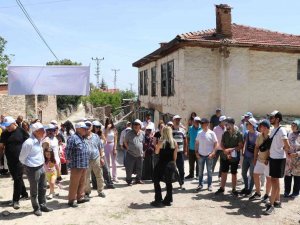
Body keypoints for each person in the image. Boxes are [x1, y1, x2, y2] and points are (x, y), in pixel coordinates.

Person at [19, 122, 53, 216]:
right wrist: (28, 166)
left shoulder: (39, 140)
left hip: (41, 166)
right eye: (42, 130)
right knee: (34, 190)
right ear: (36, 131)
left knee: (43, 187)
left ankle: (43, 205)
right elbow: (22, 158)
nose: (44, 132)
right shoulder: (28, 143)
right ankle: (36, 208)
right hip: (32, 169)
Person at [0, 116, 29, 209]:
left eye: (9, 125)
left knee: (17, 179)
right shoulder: (4, 134)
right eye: (5, 125)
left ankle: (15, 200)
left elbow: (29, 143)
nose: (7, 127)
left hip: (20, 160)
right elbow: (1, 146)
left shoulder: (21, 131)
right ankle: (24, 194)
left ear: (14, 123)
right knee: (17, 178)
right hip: (10, 160)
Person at [265, 110, 290, 215]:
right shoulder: (274, 129)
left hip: (279, 159)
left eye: (272, 117)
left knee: (274, 181)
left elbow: (287, 146)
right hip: (273, 158)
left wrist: (281, 151)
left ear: (277, 119)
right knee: (275, 181)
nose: (270, 119)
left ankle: (271, 205)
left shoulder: (282, 130)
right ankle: (277, 201)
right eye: (270, 117)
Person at [215, 118, 243, 196]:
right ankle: (222, 188)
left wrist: (231, 149)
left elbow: (240, 146)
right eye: (226, 124)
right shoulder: (225, 133)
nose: (226, 125)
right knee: (224, 172)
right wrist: (225, 150)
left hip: (234, 157)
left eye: (227, 124)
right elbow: (221, 144)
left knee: (234, 173)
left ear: (232, 124)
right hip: (225, 156)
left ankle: (234, 189)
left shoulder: (239, 134)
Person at [151, 126, 178, 207]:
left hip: (162, 164)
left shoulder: (161, 141)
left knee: (156, 180)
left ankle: (158, 199)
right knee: (169, 182)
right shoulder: (174, 142)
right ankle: (168, 200)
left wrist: (157, 145)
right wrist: (174, 164)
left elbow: (156, 152)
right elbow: (175, 156)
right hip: (171, 164)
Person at [66, 122, 90, 208]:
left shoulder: (82, 138)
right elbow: (68, 152)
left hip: (83, 164)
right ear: (78, 129)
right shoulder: (73, 138)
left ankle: (80, 197)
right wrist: (69, 163)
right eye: (83, 128)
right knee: (74, 183)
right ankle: (71, 200)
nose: (85, 130)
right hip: (76, 165)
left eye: (86, 128)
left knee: (82, 182)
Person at [249, 119, 272, 202]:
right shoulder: (259, 135)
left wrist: (268, 158)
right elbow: (256, 147)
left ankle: (266, 195)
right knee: (255, 174)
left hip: (268, 161)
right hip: (259, 159)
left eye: (260, 126)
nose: (259, 127)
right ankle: (258, 193)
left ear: (265, 127)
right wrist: (255, 158)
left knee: (268, 178)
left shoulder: (271, 136)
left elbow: (272, 149)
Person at [84, 121, 106, 198]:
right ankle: (87, 192)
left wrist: (102, 157)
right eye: (86, 125)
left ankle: (100, 191)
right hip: (86, 160)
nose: (87, 127)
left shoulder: (96, 136)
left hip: (96, 158)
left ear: (91, 127)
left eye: (89, 125)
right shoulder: (82, 137)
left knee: (99, 175)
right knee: (86, 177)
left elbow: (100, 147)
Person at [195, 118, 217, 191]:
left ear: (207, 124)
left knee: (209, 171)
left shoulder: (212, 133)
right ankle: (200, 185)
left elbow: (216, 143)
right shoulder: (199, 133)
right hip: (200, 155)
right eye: (201, 123)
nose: (201, 124)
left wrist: (213, 152)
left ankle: (209, 185)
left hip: (209, 155)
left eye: (203, 123)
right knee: (200, 171)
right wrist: (196, 153)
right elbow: (197, 143)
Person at [92, 121, 115, 189]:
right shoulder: (90, 134)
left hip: (101, 153)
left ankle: (109, 183)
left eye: (99, 127)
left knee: (106, 169)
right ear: (93, 127)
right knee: (94, 171)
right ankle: (95, 185)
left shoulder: (100, 133)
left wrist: (101, 142)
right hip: (93, 155)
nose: (98, 128)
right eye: (97, 127)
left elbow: (105, 140)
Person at [240, 117, 259, 196]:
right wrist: (243, 152)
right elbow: (244, 143)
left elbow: (258, 147)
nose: (246, 125)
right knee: (243, 173)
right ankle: (246, 187)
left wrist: (255, 158)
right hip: (246, 156)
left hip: (253, 158)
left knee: (252, 174)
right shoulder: (246, 133)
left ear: (252, 125)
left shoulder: (258, 134)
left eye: (248, 124)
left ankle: (250, 190)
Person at [124, 119, 145, 186]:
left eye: (137, 124)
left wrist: (142, 151)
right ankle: (129, 181)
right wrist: (128, 148)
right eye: (134, 124)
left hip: (139, 155)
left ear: (140, 126)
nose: (135, 126)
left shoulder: (142, 133)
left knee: (140, 168)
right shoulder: (129, 133)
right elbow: (125, 142)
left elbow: (143, 143)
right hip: (130, 154)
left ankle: (138, 179)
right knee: (129, 168)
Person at [284, 120, 300, 198]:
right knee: (287, 176)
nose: (292, 127)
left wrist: (297, 154)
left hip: (297, 160)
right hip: (289, 159)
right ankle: (287, 191)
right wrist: (285, 150)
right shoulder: (289, 134)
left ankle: (296, 192)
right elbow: (286, 144)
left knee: (297, 177)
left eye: (294, 125)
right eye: (292, 125)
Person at [172, 115, 187, 189]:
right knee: (171, 168)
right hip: (171, 152)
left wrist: (185, 150)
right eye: (176, 120)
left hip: (180, 152)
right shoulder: (169, 130)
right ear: (173, 121)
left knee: (181, 168)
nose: (178, 121)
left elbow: (185, 140)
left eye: (179, 120)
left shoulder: (182, 130)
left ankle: (182, 182)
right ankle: (169, 183)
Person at [212, 115, 226, 180]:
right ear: (221, 121)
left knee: (222, 163)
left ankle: (220, 176)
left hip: (223, 148)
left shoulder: (226, 128)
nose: (225, 122)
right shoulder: (215, 128)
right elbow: (213, 139)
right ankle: (210, 176)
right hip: (217, 148)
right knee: (213, 163)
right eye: (224, 121)